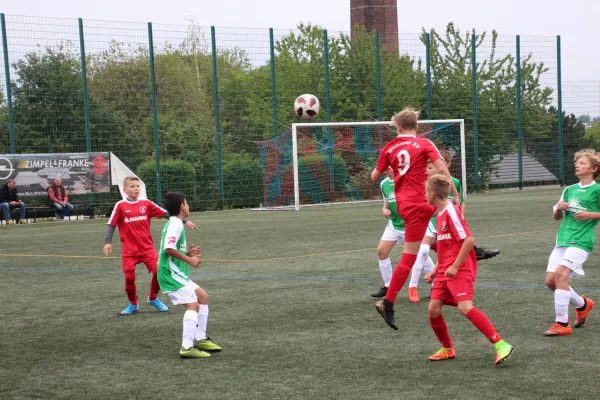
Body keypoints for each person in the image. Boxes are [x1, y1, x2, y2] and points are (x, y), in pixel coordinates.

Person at [371, 107, 458, 330]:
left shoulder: (389, 147)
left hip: (405, 205)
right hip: (421, 202)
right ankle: (388, 302)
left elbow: (374, 177)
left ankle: (471, 249)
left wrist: (390, 166)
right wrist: (455, 192)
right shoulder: (424, 143)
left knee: (449, 223)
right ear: (417, 127)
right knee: (411, 255)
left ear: (398, 127)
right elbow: (440, 167)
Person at [423, 174, 514, 365]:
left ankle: (501, 344)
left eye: (425, 191)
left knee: (465, 307)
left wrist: (455, 266)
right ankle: (447, 349)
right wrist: (436, 269)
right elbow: (446, 247)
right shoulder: (439, 215)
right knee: (433, 308)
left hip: (460, 268)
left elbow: (469, 240)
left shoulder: (451, 212)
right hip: (444, 270)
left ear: (432, 194)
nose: (424, 195)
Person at [103, 176, 199, 316]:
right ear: (124, 190)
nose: (136, 189)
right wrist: (107, 242)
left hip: (147, 248)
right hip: (129, 250)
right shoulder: (120, 206)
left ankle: (153, 298)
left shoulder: (146, 203)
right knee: (129, 278)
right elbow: (111, 224)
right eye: (132, 186)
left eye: (137, 186)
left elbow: (165, 213)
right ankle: (133, 304)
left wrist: (184, 220)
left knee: (158, 272)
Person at [543, 149, 600, 337]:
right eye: (577, 162)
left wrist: (591, 214)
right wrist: (559, 209)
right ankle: (583, 304)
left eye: (582, 163)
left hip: (581, 241)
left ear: (593, 168)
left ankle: (562, 323)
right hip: (563, 240)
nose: (577, 165)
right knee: (551, 281)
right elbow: (556, 217)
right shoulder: (569, 190)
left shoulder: (597, 190)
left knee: (560, 275)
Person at [158, 191, 221, 358]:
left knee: (203, 297)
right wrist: (189, 259)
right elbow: (168, 249)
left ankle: (200, 338)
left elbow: (172, 247)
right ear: (182, 206)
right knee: (193, 306)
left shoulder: (176, 222)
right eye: (187, 202)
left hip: (175, 272)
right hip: (169, 273)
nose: (188, 205)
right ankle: (187, 347)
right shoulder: (176, 224)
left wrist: (189, 253)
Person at [438, 149, 500, 262]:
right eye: (438, 162)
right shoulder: (433, 182)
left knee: (456, 242)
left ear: (448, 163)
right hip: (438, 220)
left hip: (452, 219)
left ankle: (473, 253)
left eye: (442, 162)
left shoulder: (455, 182)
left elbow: (461, 201)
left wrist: (460, 216)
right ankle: (476, 252)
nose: (439, 165)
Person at [371, 166, 415, 299]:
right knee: (381, 251)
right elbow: (386, 204)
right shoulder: (384, 184)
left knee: (421, 256)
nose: (387, 170)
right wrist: (384, 210)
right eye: (384, 168)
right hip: (393, 225)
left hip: (410, 225)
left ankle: (436, 285)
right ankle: (388, 286)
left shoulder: (405, 180)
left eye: (389, 167)